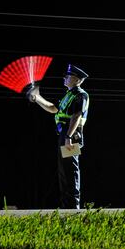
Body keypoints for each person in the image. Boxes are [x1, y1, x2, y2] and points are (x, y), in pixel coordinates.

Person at [26, 64, 90, 209]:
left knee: (71, 171)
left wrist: (68, 136)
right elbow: (53, 108)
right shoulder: (68, 95)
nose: (65, 78)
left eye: (68, 76)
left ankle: (74, 208)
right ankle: (67, 207)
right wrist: (37, 98)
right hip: (64, 136)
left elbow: (77, 115)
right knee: (63, 173)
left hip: (71, 137)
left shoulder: (81, 95)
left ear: (78, 80)